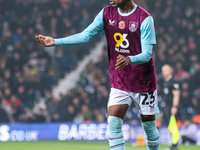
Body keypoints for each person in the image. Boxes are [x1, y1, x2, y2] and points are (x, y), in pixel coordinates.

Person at [36, 0, 160, 150]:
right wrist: (55, 41)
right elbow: (85, 35)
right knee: (113, 123)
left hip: (143, 82)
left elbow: (147, 54)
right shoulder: (107, 13)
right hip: (120, 81)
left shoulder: (145, 18)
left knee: (149, 126)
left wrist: (130, 59)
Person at [161, 64, 181, 150]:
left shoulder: (173, 82)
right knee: (170, 126)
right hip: (166, 107)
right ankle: (173, 144)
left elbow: (176, 95)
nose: (163, 72)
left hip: (171, 107)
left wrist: (174, 106)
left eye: (165, 70)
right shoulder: (165, 82)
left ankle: (175, 145)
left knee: (173, 125)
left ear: (170, 71)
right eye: (163, 70)